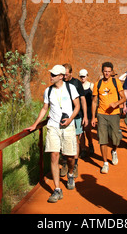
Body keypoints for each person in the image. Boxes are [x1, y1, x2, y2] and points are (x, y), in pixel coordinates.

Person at [25, 64, 80, 203]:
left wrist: (70, 120)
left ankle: (71, 173)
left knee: (70, 157)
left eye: (54, 75)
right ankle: (57, 189)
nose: (51, 77)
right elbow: (44, 109)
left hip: (68, 127)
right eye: (51, 74)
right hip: (53, 127)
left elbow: (77, 106)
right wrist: (35, 124)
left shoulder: (71, 88)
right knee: (54, 156)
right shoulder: (48, 91)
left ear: (61, 76)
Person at [91, 61, 126, 174]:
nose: (107, 74)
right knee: (102, 139)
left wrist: (116, 103)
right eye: (105, 71)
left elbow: (124, 98)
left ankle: (114, 151)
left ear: (112, 72)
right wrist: (93, 117)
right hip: (101, 114)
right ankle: (105, 163)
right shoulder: (98, 84)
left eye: (109, 72)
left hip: (114, 114)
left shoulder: (116, 82)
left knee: (116, 138)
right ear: (102, 72)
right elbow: (94, 101)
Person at [60, 63, 88, 179]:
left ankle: (75, 164)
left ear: (71, 73)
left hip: (76, 116)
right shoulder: (60, 83)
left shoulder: (76, 83)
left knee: (75, 140)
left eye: (66, 74)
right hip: (64, 116)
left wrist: (85, 116)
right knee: (64, 140)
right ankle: (66, 163)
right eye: (63, 74)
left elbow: (83, 100)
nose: (65, 76)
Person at [78, 69, 95, 157]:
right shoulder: (78, 86)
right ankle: (83, 149)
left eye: (84, 76)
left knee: (87, 130)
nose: (82, 78)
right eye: (81, 76)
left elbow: (95, 100)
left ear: (87, 76)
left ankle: (90, 143)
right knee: (81, 131)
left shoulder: (91, 86)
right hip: (79, 111)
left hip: (89, 111)